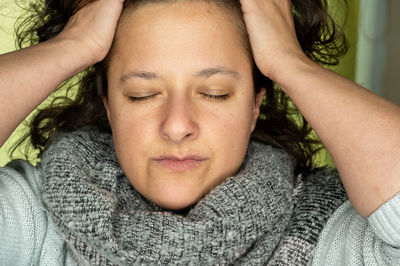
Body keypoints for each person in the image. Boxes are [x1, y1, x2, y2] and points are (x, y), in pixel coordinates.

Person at [0, 0, 399, 264]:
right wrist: (73, 44)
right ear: (109, 106)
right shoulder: (33, 219)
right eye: (142, 94)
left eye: (214, 93)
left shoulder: (324, 233)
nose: (176, 126)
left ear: (255, 105)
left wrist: (290, 63)